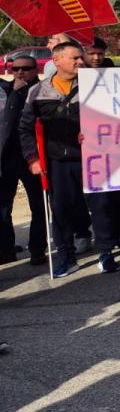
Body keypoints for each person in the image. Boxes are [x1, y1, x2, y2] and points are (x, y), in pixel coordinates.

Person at [18, 42, 120, 277]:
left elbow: (113, 118)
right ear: (57, 61)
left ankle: (106, 253)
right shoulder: (38, 91)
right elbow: (25, 129)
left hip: (93, 159)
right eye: (75, 58)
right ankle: (66, 255)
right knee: (62, 210)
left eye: (80, 58)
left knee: (102, 206)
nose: (80, 62)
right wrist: (32, 158)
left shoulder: (95, 86)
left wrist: (96, 132)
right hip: (58, 163)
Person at [0, 56, 46, 265]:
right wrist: (15, 92)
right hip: (7, 157)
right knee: (3, 207)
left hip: (32, 157)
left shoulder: (41, 90)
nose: (20, 73)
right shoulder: (6, 89)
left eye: (25, 69)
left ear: (35, 70)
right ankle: (6, 248)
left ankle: (37, 249)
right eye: (15, 68)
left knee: (38, 205)